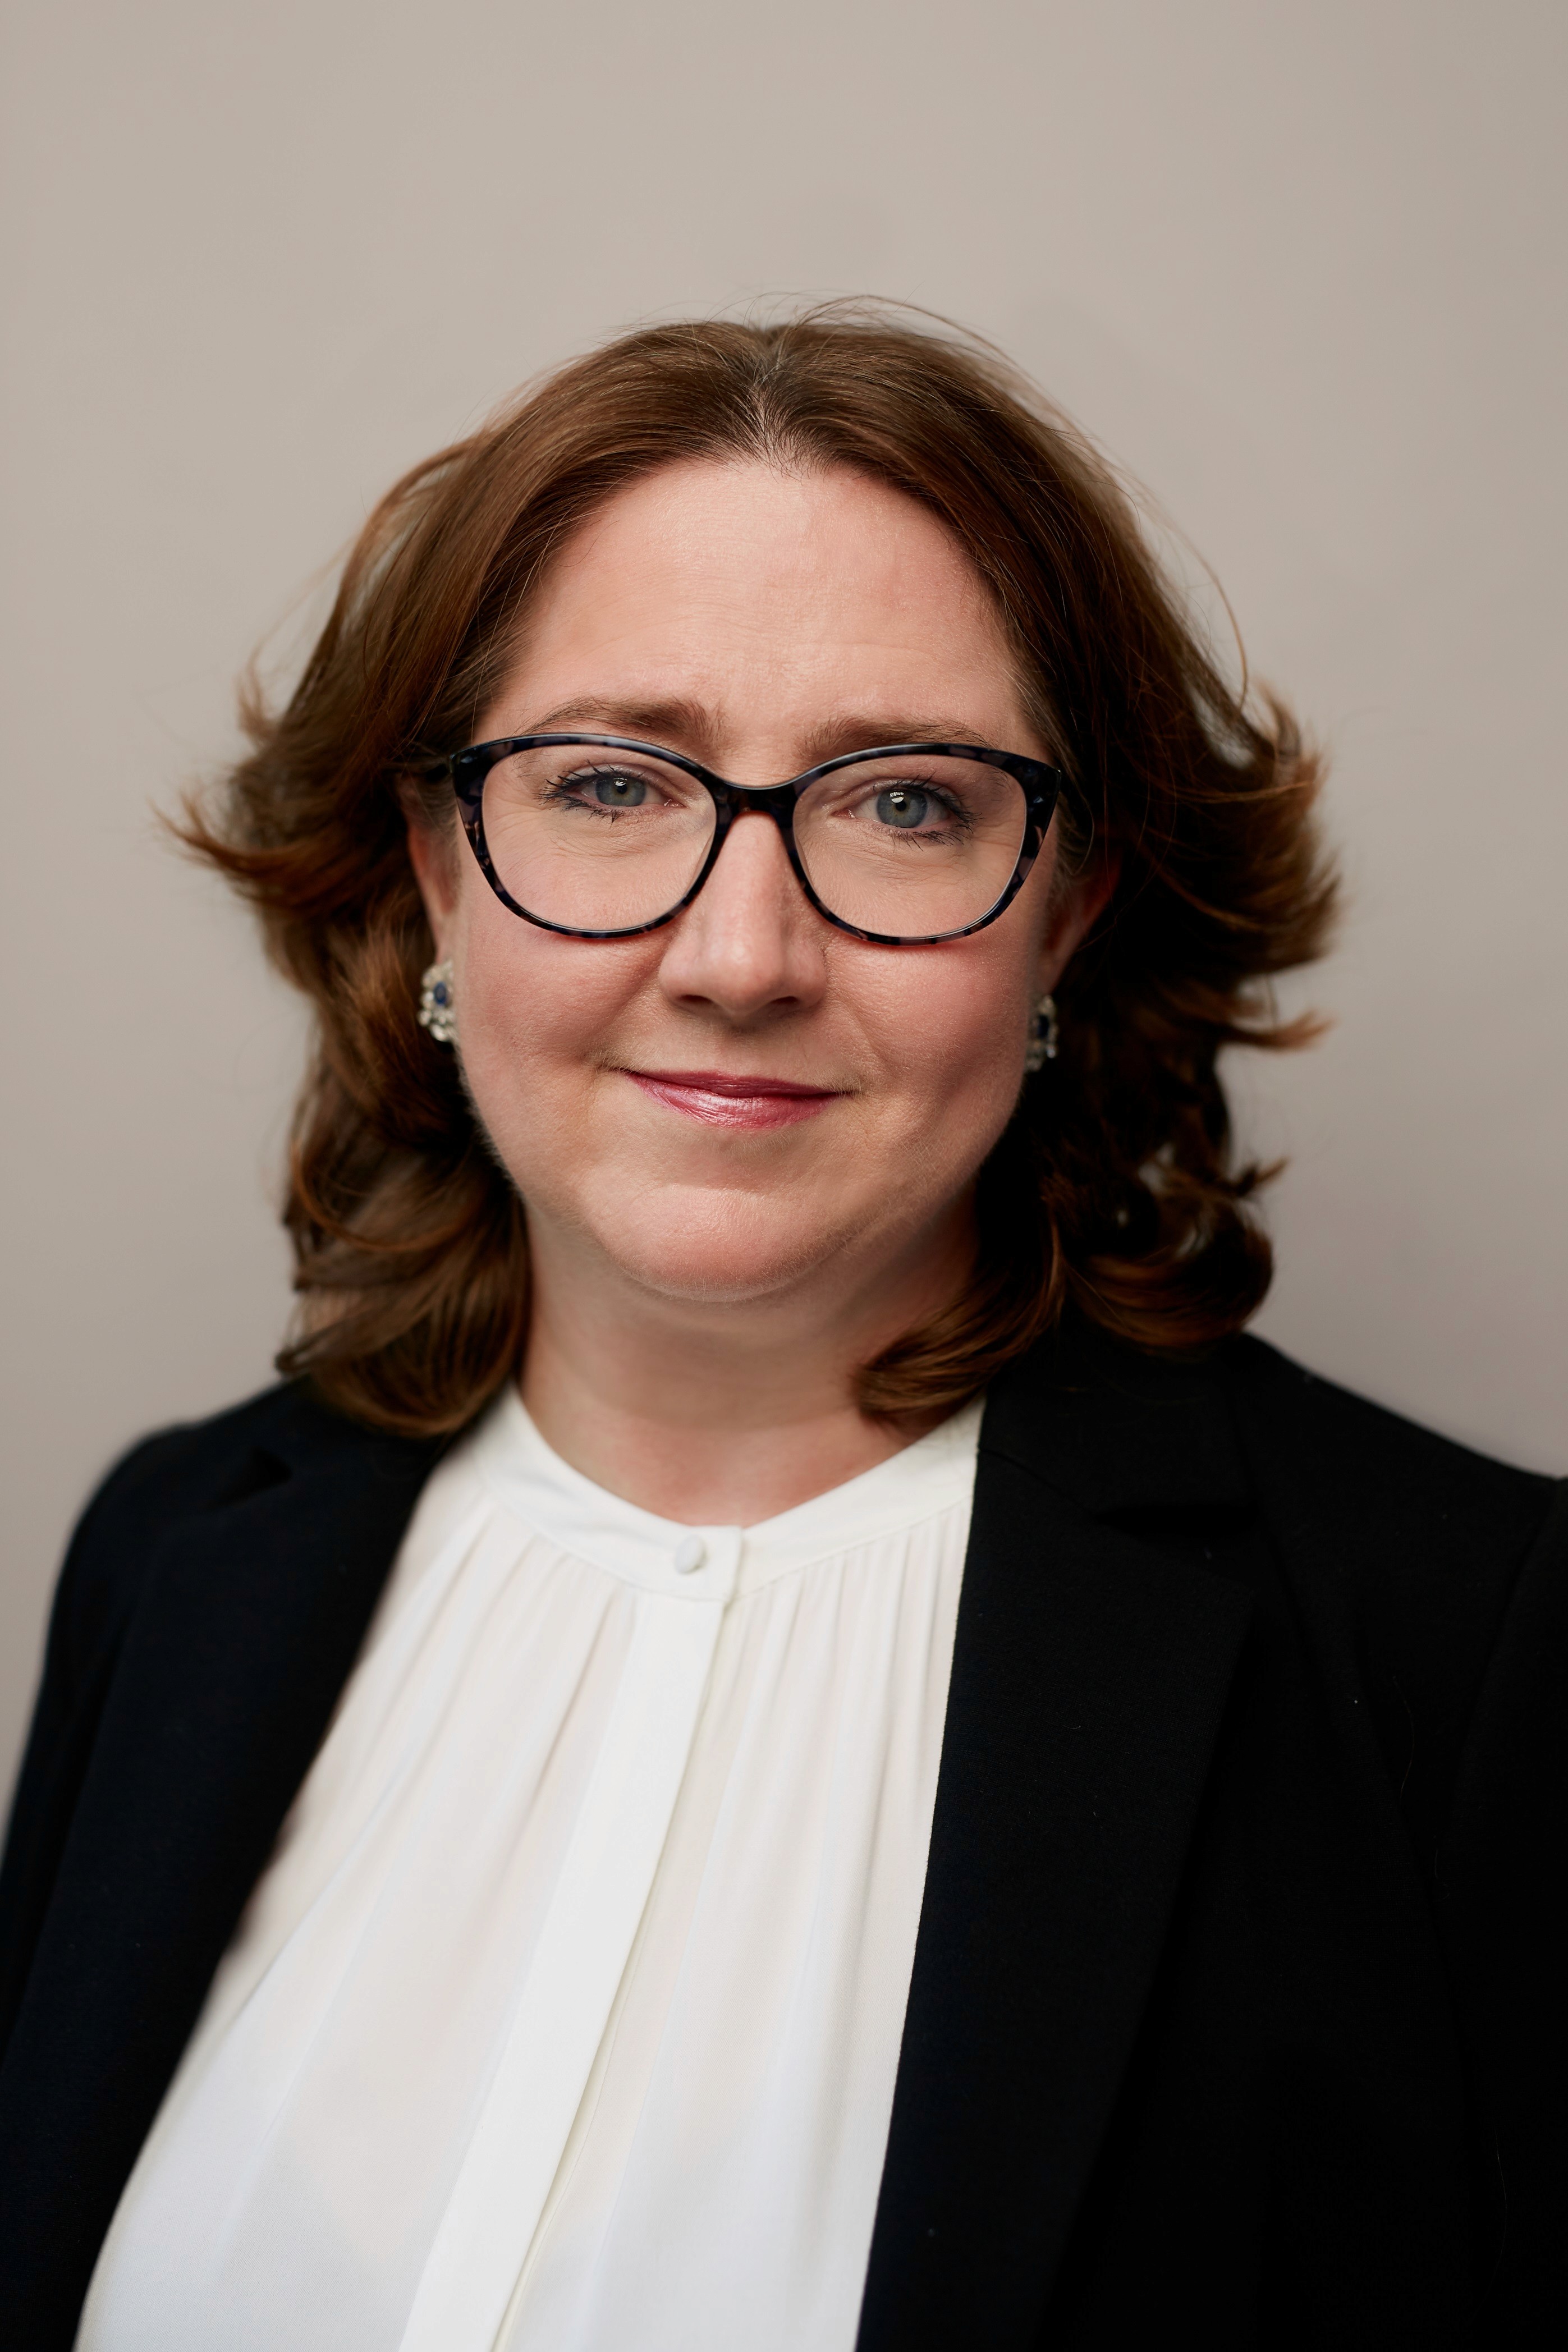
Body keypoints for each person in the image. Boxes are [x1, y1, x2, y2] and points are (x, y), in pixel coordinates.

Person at [1, 308, 1561, 2352]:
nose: (741, 957)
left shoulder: (1471, 1646)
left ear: (1067, 908)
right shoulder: (178, 1554)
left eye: (907, 805)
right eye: (608, 785)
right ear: (430, 866)